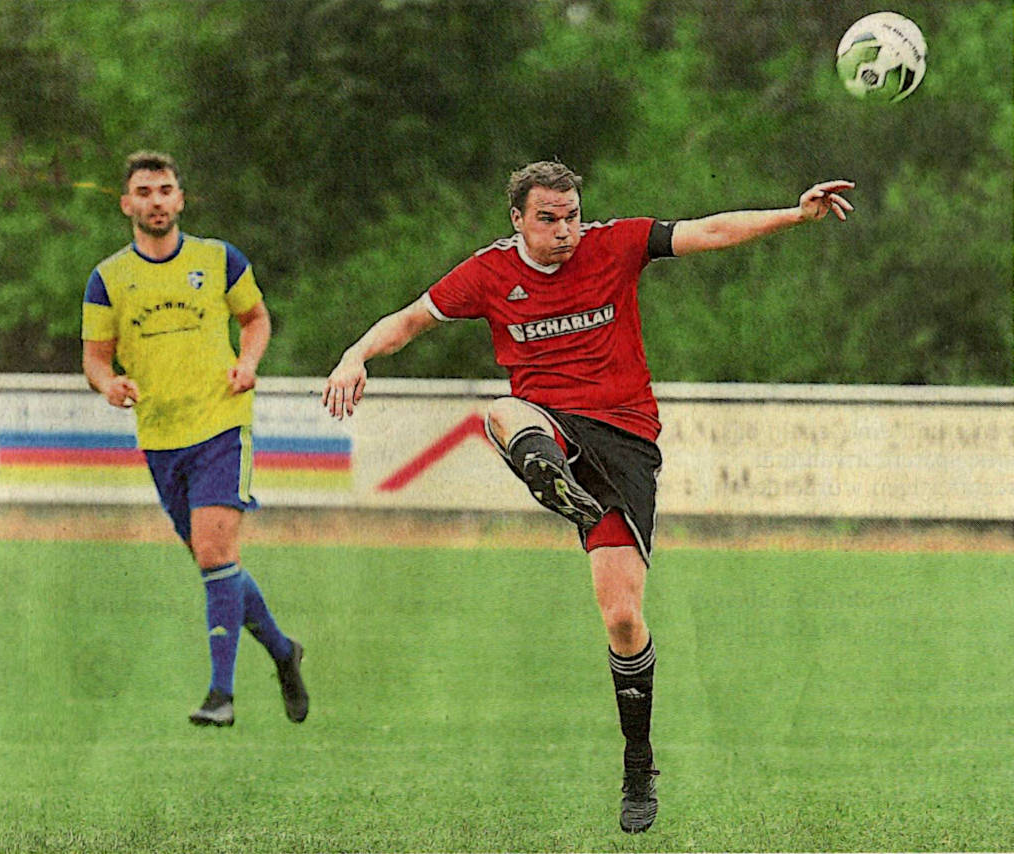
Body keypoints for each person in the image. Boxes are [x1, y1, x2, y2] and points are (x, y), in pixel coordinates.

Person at [322, 160, 853, 832]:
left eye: (571, 215)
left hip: (625, 440)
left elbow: (710, 232)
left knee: (624, 618)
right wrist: (354, 355)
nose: (565, 230)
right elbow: (408, 322)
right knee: (503, 409)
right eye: (548, 218)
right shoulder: (488, 273)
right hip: (548, 423)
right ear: (517, 218)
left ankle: (638, 764)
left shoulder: (615, 245)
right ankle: (549, 475)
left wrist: (793, 213)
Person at [82, 151, 309, 728]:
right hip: (160, 436)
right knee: (217, 563)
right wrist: (110, 384)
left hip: (222, 424)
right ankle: (283, 651)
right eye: (144, 191)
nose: (156, 200)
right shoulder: (108, 278)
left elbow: (255, 319)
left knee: (213, 555)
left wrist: (249, 362)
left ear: (180, 199)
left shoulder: (219, 258)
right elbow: (95, 359)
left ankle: (220, 694)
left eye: (165, 190)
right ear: (127, 204)